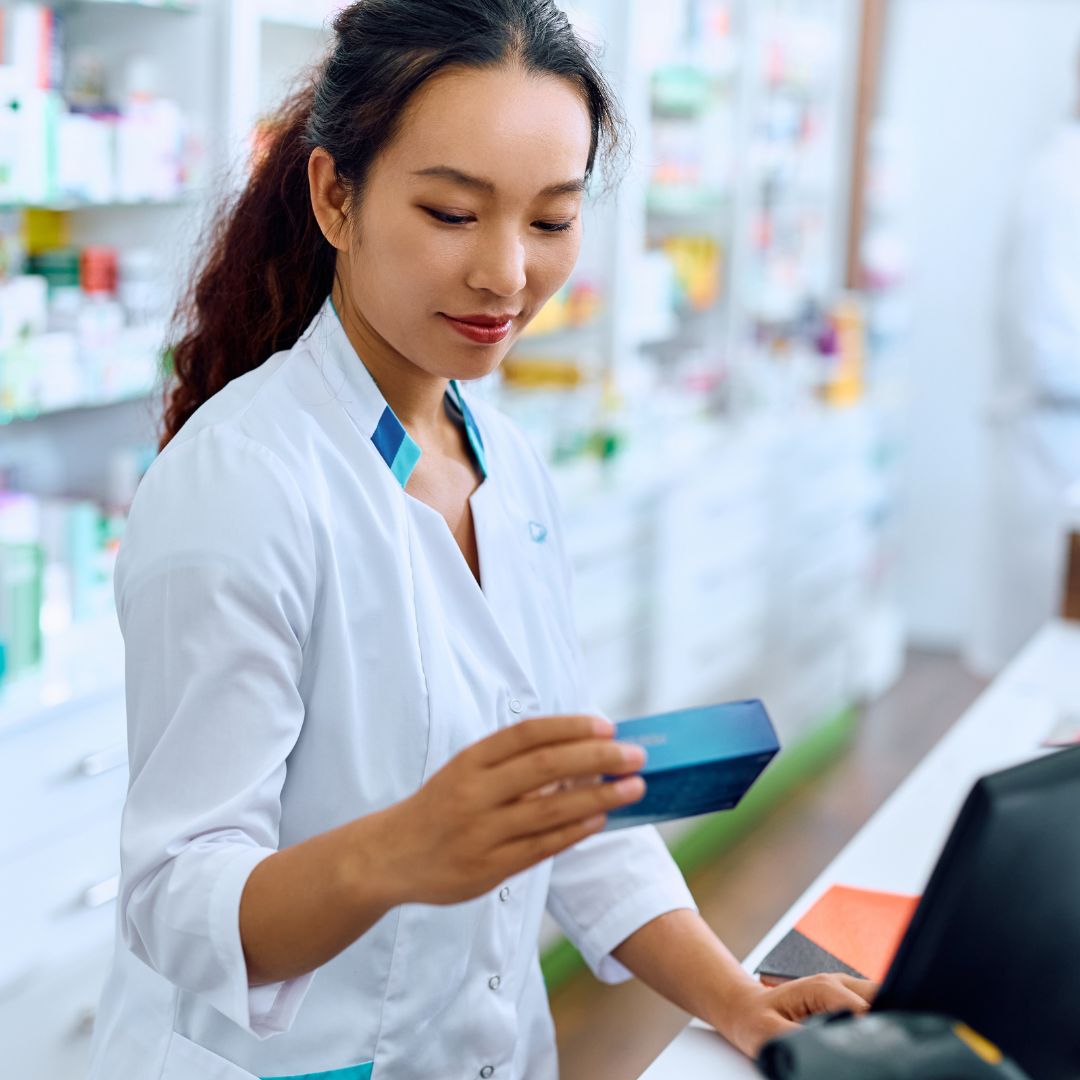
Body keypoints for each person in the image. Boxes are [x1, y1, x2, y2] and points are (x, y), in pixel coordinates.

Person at [86, 3, 873, 1077]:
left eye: (550, 222)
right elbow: (175, 897)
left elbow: (566, 807)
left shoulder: (502, 459)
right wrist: (399, 854)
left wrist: (736, 998)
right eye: (454, 213)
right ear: (334, 196)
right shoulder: (243, 486)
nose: (506, 274)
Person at [977, 45, 1080, 672]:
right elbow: (1052, 355)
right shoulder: (1063, 181)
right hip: (1052, 452)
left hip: (1057, 449)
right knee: (1038, 683)